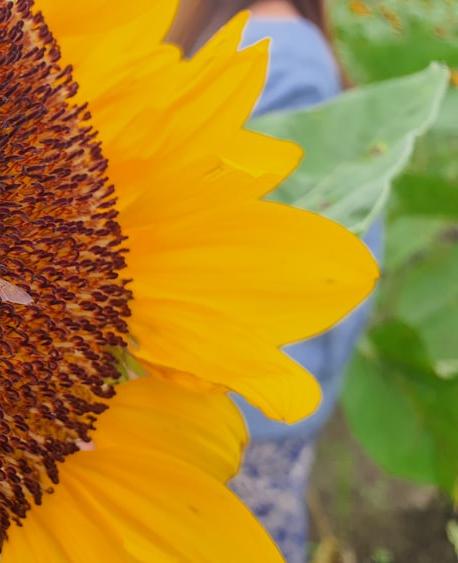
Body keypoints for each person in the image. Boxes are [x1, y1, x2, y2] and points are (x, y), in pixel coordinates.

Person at [167, 2, 385, 562]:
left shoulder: (277, 52)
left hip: (242, 408)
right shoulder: (282, 41)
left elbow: (280, 261)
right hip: (245, 402)